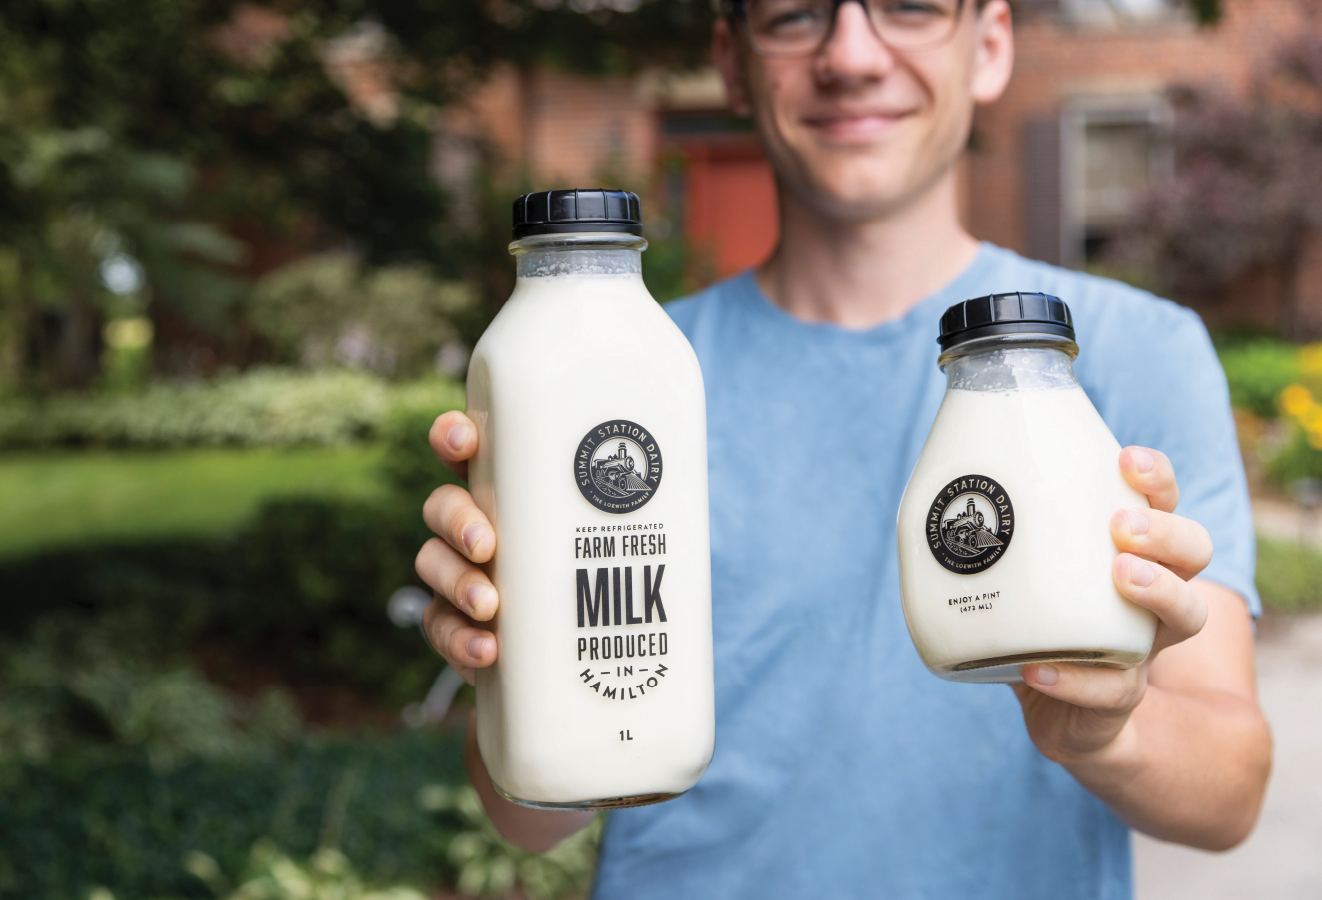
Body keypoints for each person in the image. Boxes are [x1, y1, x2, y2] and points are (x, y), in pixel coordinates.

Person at [414, 0, 1273, 895]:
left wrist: (1111, 730)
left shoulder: (1125, 354)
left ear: (990, 45)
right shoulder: (618, 375)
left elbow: (1231, 795)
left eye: (909, 7)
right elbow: (527, 819)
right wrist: (503, 658)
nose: (852, 56)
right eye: (795, 16)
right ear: (732, 60)